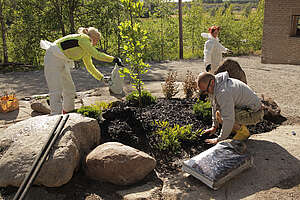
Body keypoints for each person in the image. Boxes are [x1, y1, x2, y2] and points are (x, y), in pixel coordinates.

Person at [40, 27, 122, 115]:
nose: (97, 43)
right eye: (97, 40)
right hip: (52, 56)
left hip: (62, 60)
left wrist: (102, 78)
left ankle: (68, 112)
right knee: (56, 89)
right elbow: (97, 54)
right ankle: (55, 115)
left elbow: (90, 67)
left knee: (70, 89)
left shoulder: (86, 49)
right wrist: (113, 59)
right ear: (92, 37)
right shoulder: (84, 39)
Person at [197, 71, 264, 145]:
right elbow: (215, 106)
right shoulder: (217, 84)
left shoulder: (223, 92)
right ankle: (233, 130)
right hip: (247, 109)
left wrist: (219, 140)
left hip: (255, 113)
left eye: (205, 90)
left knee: (223, 116)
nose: (206, 93)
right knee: (219, 113)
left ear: (212, 82)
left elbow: (228, 118)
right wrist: (214, 127)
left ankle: (243, 132)